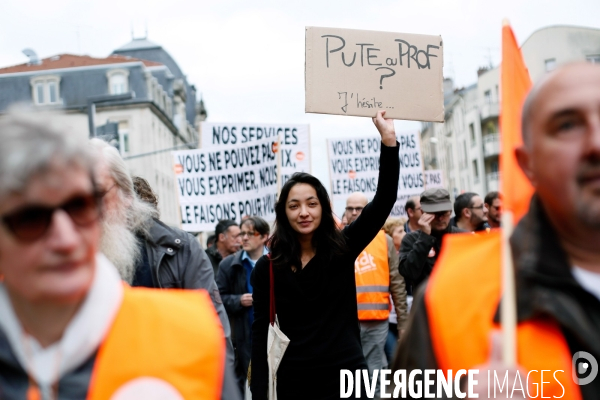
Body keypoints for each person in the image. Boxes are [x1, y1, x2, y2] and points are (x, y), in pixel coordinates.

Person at [393, 62, 600, 399]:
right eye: (567, 125)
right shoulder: (451, 294)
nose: (596, 143)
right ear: (527, 164)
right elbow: (406, 273)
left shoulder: (466, 239)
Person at [0, 110, 232, 399]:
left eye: (83, 203)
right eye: (31, 217)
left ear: (126, 195)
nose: (64, 233)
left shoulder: (189, 324)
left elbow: (216, 356)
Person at [250, 110, 399, 400]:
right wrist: (259, 392)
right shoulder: (267, 267)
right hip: (293, 380)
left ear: (323, 207)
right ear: (284, 213)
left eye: (311, 203)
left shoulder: (342, 249)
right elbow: (259, 333)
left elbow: (384, 201)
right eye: (294, 206)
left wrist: (388, 139)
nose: (304, 212)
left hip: (348, 377)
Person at [91, 143, 238, 399]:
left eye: (97, 195)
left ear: (126, 194)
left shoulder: (181, 250)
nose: (87, 210)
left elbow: (214, 337)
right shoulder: (56, 262)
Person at [344, 193, 408, 397]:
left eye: (359, 208)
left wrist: (403, 323)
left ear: (369, 210)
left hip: (376, 322)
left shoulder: (384, 240)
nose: (354, 212)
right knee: (348, 376)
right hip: (345, 323)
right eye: (350, 208)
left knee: (374, 375)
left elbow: (397, 283)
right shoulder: (335, 239)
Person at [217, 217, 270, 396]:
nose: (244, 238)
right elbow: (217, 299)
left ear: (264, 237)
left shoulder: (277, 261)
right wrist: (238, 300)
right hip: (243, 338)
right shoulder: (228, 265)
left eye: (250, 233)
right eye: (242, 233)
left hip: (273, 335)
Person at [399, 188, 466, 295]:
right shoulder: (411, 239)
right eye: (434, 213)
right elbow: (408, 273)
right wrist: (424, 237)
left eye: (444, 213)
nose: (440, 218)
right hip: (426, 306)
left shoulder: (464, 237)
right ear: (422, 212)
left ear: (450, 211)